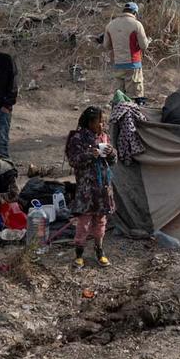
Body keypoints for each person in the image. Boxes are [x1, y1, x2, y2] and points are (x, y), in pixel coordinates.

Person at [65, 106, 116, 269]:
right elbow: (73, 160)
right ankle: (79, 255)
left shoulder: (104, 137)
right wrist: (89, 154)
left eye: (103, 122)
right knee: (84, 222)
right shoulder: (78, 138)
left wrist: (111, 153)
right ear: (89, 122)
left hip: (102, 188)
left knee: (101, 221)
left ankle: (100, 251)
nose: (101, 125)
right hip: (86, 189)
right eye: (98, 122)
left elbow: (113, 162)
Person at [103, 1, 151, 106]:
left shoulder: (110, 25)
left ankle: (118, 116)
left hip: (118, 64)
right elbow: (144, 46)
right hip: (133, 64)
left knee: (119, 96)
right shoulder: (136, 25)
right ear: (135, 13)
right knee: (135, 96)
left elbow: (106, 46)